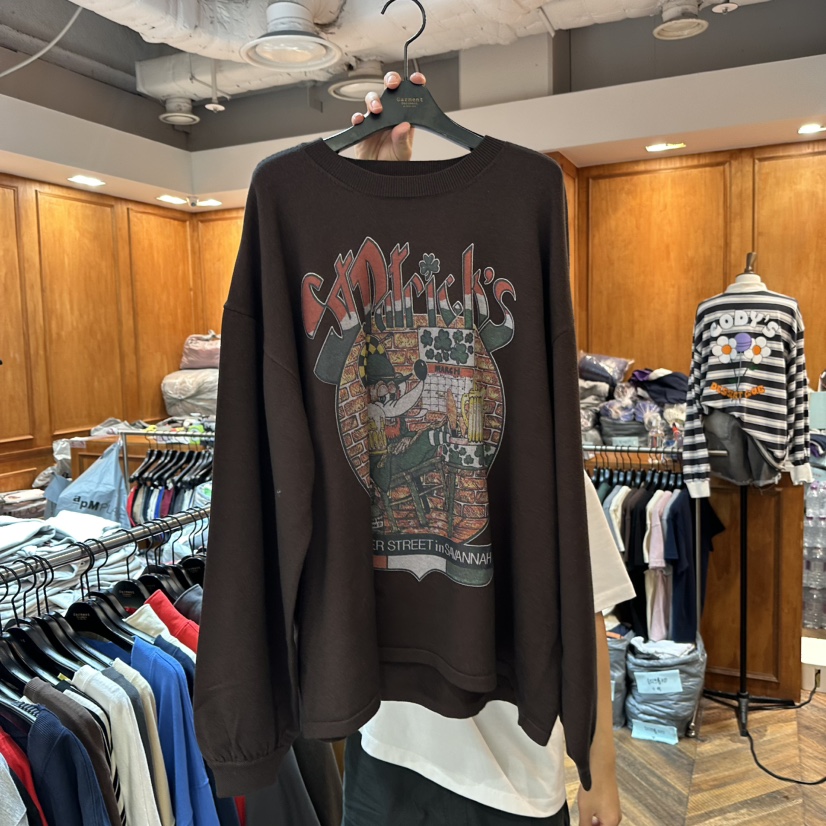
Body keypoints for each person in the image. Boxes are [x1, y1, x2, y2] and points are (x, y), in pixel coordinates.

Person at [340, 70, 630, 826]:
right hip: (382, 753)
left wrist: (599, 773)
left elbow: (589, 619)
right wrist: (373, 188)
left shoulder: (537, 454)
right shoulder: (362, 436)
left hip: (507, 784)